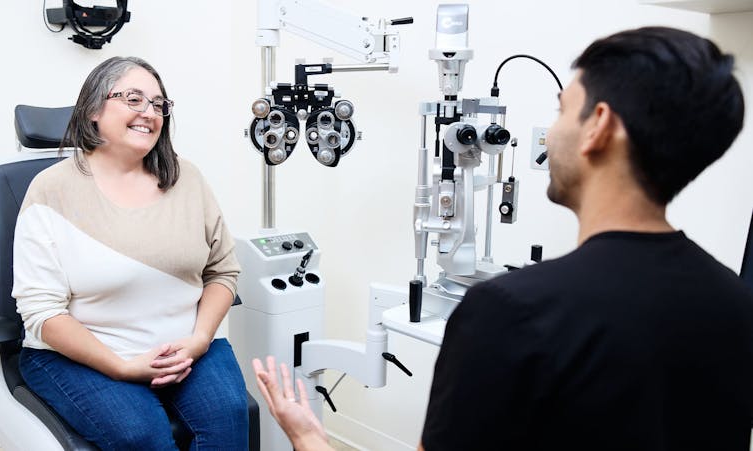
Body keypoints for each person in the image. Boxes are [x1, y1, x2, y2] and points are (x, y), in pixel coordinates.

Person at [253, 26, 753, 451]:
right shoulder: (737, 305)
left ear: (597, 126)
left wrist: (310, 439)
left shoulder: (512, 311)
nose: (549, 133)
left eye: (562, 111)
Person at [13, 56, 249, 450]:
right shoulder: (50, 190)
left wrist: (200, 340)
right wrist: (122, 367)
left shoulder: (185, 177)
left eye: (159, 105)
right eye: (134, 99)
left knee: (230, 417)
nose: (149, 113)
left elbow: (222, 272)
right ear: (92, 110)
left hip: (185, 343)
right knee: (141, 434)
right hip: (84, 352)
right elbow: (42, 311)